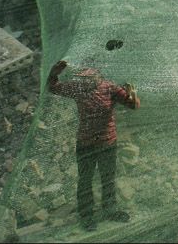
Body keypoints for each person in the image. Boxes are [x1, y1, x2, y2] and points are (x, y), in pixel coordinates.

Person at [47, 50, 140, 231]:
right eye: (85, 77)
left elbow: (133, 106)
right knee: (85, 181)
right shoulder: (77, 87)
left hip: (107, 143)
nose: (88, 81)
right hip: (86, 144)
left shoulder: (110, 88)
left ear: (98, 74)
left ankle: (110, 210)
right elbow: (52, 87)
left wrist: (133, 93)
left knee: (107, 178)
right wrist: (55, 71)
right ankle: (87, 217)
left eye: (91, 77)